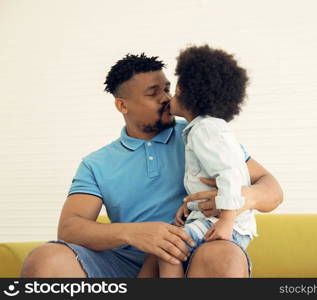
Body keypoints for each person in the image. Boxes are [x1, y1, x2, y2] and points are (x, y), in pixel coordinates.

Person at [20, 52, 283, 278]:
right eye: (153, 93)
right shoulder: (96, 164)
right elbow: (70, 229)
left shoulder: (202, 134)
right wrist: (135, 234)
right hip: (122, 264)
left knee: (223, 257)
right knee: (45, 259)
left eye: (167, 89)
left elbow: (272, 191)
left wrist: (237, 198)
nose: (166, 98)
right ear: (122, 105)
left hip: (195, 255)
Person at [139, 45, 256, 277]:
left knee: (166, 248)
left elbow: (230, 174)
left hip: (224, 224)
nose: (168, 97)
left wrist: (226, 220)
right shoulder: (208, 128)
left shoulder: (204, 130)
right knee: (167, 244)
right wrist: (191, 207)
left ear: (183, 91)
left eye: (172, 88)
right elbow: (208, 179)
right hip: (217, 220)